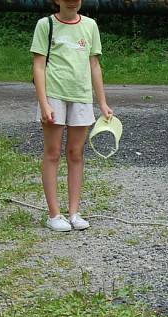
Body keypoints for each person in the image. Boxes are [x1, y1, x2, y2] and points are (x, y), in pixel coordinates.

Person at [31, 0, 113, 232]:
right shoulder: (45, 25)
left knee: (76, 153)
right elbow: (38, 66)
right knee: (53, 153)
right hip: (54, 96)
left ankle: (74, 213)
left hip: (82, 96)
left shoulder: (90, 25)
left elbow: (94, 65)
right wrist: (44, 103)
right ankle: (54, 214)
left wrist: (103, 103)